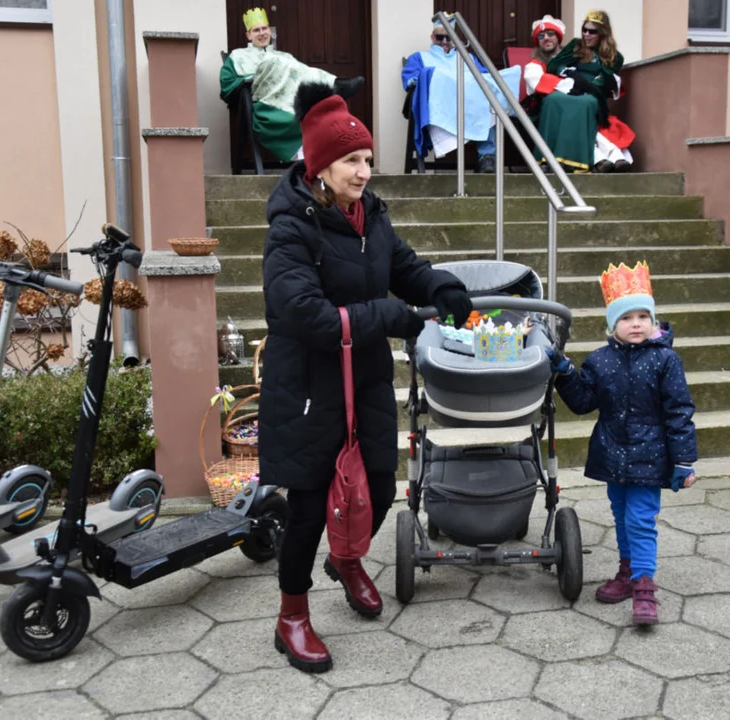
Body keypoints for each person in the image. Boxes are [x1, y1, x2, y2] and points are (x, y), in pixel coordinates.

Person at [260, 81, 473, 673]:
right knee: (306, 510)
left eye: (368, 159)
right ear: (321, 165)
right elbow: (301, 312)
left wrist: (440, 287)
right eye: (352, 160)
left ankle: (348, 559)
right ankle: (293, 616)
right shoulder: (290, 227)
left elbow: (400, 264)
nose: (364, 171)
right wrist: (388, 316)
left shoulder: (369, 214)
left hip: (368, 376)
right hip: (308, 385)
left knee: (378, 488)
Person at [546, 261, 697, 625]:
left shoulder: (666, 361)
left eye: (644, 316)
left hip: (652, 454)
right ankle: (627, 572)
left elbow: (679, 411)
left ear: (654, 322)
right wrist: (565, 373)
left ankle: (645, 586)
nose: (636, 324)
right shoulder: (601, 360)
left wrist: (684, 460)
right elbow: (584, 402)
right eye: (627, 317)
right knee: (622, 516)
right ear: (612, 325)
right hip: (613, 453)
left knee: (641, 519)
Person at [219, 7, 365, 162]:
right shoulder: (237, 56)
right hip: (263, 101)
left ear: (270, 31)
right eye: (256, 30)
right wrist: (250, 78)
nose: (262, 33)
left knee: (294, 70)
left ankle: (332, 87)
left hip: (291, 99)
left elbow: (302, 76)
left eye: (264, 28)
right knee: (272, 61)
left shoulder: (284, 56)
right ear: (248, 35)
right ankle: (334, 87)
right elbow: (227, 84)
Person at [402, 18, 522, 173]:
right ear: (432, 38)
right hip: (439, 108)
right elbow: (411, 81)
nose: (445, 41)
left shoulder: (467, 57)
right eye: (440, 37)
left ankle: (486, 157)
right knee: (485, 107)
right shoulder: (419, 57)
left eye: (449, 37)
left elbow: (486, 77)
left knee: (490, 106)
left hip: (470, 106)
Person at [524, 11, 635, 173]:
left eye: (592, 31)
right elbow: (550, 71)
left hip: (591, 96)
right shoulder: (573, 47)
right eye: (584, 30)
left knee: (584, 104)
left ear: (602, 33)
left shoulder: (614, 56)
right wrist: (571, 77)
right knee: (562, 102)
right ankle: (552, 158)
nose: (586, 34)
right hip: (562, 96)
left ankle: (589, 159)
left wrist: (595, 83)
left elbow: (608, 79)